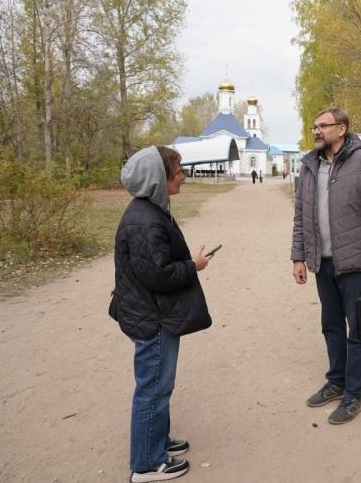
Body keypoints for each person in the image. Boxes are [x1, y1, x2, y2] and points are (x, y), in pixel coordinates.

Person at [109, 146, 215, 482]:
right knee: (153, 387)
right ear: (159, 176)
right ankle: (146, 464)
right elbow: (157, 275)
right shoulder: (145, 219)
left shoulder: (150, 211)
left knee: (159, 384)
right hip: (151, 317)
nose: (182, 176)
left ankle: (157, 441)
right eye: (178, 170)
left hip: (153, 314)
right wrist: (193, 266)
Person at [291, 107, 361, 425]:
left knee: (357, 330)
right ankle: (336, 381)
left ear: (342, 128)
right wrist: (298, 257)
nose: (316, 131)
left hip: (356, 265)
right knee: (330, 325)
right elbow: (300, 217)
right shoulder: (309, 166)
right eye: (314, 126)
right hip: (323, 262)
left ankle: (353, 396)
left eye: (323, 126)